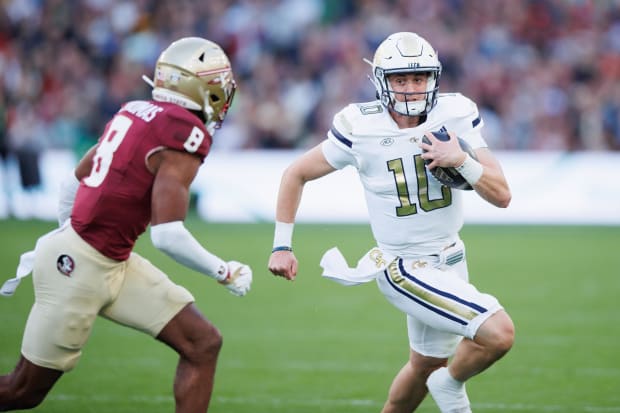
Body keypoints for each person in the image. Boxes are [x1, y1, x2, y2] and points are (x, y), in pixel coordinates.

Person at [0, 37, 252, 412]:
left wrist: (71, 234)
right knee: (22, 391)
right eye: (216, 87)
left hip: (110, 261)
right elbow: (167, 236)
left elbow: (75, 180)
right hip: (82, 266)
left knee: (202, 344)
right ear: (197, 86)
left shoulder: (136, 110)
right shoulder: (185, 132)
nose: (221, 96)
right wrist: (224, 271)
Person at [268, 32, 515, 413]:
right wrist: (282, 246)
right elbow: (295, 173)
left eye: (419, 78)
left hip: (451, 258)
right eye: (401, 79)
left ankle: (439, 380)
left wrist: (460, 159)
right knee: (499, 334)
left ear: (434, 78)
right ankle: (450, 387)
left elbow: (501, 195)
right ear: (381, 81)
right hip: (403, 266)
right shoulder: (359, 125)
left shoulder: (456, 113)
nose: (411, 88)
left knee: (423, 367)